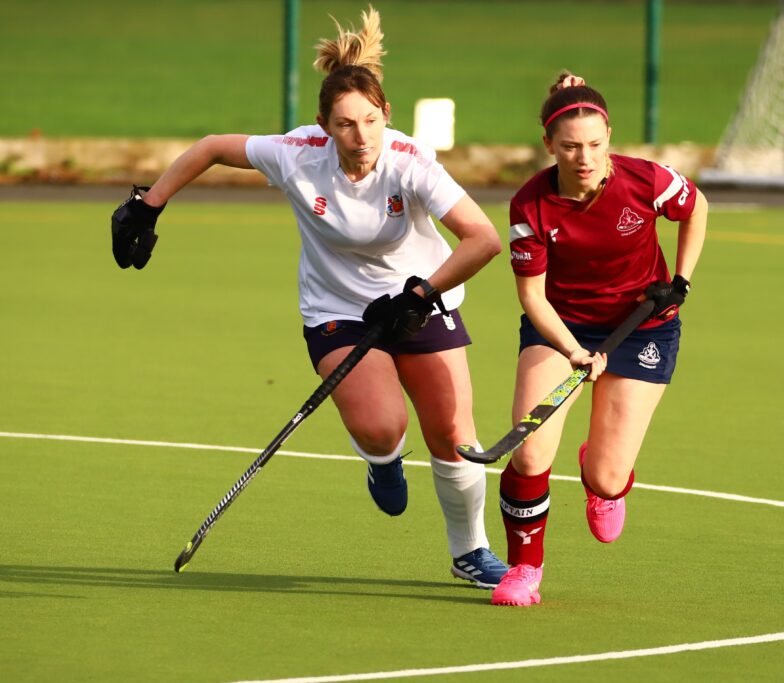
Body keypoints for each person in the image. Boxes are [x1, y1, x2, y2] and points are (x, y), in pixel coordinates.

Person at [109, 6, 509, 588]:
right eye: (345, 124)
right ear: (323, 125)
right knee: (381, 426)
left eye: (370, 120)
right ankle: (382, 462)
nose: (361, 137)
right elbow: (212, 147)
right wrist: (149, 205)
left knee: (452, 433)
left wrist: (422, 292)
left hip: (421, 300)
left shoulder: (409, 161)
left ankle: (469, 551)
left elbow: (484, 239)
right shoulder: (296, 154)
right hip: (338, 310)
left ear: (386, 114)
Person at [490, 72, 709, 606]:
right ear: (549, 145)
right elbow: (533, 297)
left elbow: (696, 207)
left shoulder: (647, 180)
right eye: (569, 147)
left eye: (593, 144)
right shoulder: (530, 206)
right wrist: (573, 351)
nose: (584, 158)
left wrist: (680, 281)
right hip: (560, 328)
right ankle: (524, 569)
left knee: (608, 477)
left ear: (609, 136)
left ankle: (600, 478)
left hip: (642, 327)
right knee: (529, 454)